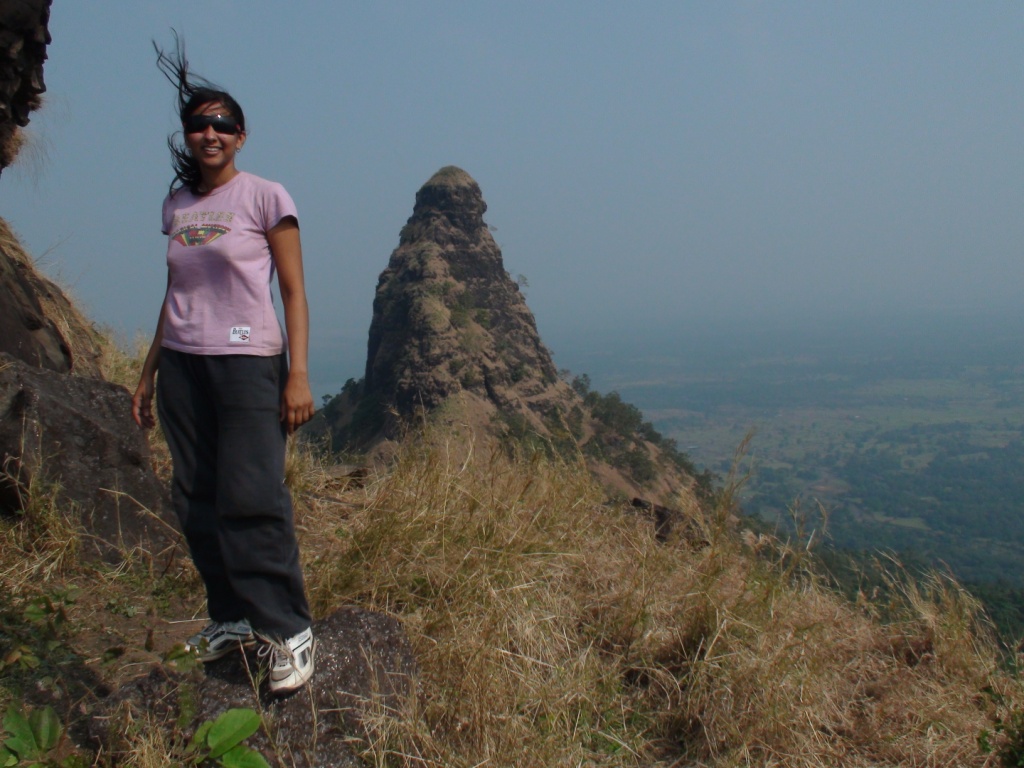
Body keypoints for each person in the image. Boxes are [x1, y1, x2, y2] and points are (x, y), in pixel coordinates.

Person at [132, 36, 316, 695]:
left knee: (252, 494)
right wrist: (149, 371)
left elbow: (293, 290)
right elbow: (175, 292)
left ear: (241, 136)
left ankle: (288, 630)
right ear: (187, 135)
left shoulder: (265, 196)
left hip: (247, 363)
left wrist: (297, 373)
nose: (210, 133)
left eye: (222, 124)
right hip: (184, 365)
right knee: (195, 497)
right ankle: (232, 617)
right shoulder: (178, 206)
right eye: (199, 123)